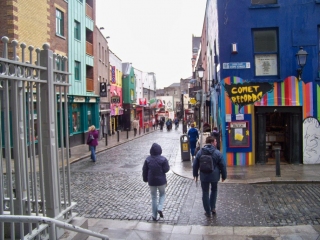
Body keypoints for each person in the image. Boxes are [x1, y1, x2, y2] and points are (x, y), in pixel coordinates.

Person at [193, 136, 227, 217]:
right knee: (214, 190)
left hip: (204, 175)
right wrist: (224, 176)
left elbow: (195, 165)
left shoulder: (200, 152)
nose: (216, 143)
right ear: (212, 142)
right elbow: (222, 165)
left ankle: (207, 211)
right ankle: (213, 208)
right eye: (215, 141)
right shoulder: (217, 152)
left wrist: (195, 175)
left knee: (205, 192)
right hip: (214, 175)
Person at [142, 143, 170, 221]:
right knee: (162, 194)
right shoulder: (163, 159)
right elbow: (166, 169)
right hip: (161, 181)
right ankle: (160, 207)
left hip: (151, 181)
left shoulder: (148, 159)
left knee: (153, 197)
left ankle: (154, 216)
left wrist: (145, 179)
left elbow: (144, 170)